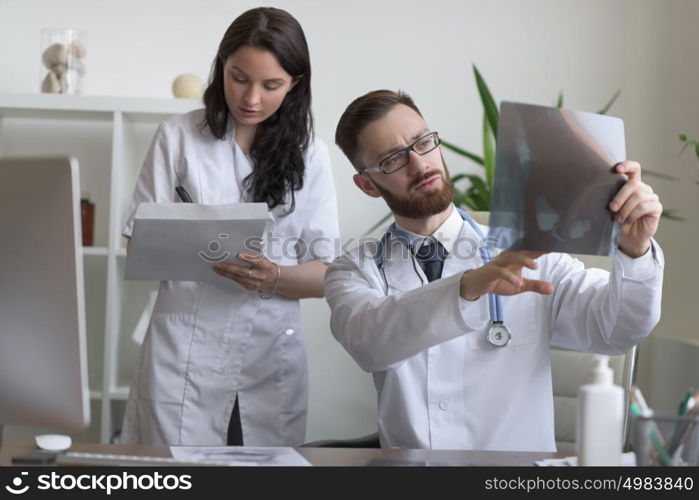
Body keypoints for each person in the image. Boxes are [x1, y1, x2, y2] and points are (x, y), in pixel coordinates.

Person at [327, 89, 663, 451]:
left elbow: (616, 331)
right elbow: (369, 343)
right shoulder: (355, 268)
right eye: (393, 159)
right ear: (367, 185)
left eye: (423, 142)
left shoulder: (529, 248)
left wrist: (635, 249)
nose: (420, 165)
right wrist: (468, 286)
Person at [120, 7, 339, 446]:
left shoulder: (309, 155)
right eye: (239, 77)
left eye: (271, 85)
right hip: (183, 349)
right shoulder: (177, 137)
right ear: (222, 65)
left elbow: (325, 274)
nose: (251, 98)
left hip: (268, 351)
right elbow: (137, 244)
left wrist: (273, 276)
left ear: (295, 84)